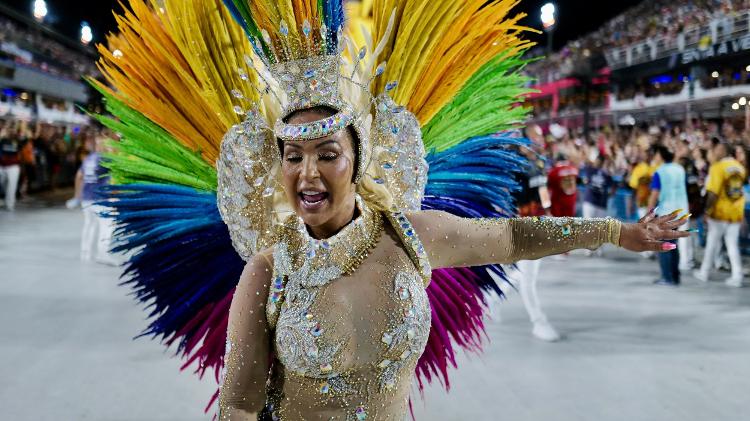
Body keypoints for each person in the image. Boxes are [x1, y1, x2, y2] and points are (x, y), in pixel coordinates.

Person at [90, 1, 691, 419]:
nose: (307, 172)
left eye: (326, 153)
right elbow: (241, 403)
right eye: (292, 156)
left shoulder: (412, 235)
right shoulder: (267, 272)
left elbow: (512, 237)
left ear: (357, 157)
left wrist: (615, 229)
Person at [508, 145, 560, 342]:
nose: (540, 141)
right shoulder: (523, 167)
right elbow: (541, 201)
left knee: (524, 273)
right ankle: (538, 322)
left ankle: (490, 299)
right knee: (528, 278)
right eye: (535, 136)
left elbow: (541, 193)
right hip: (527, 228)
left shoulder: (531, 165)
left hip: (530, 225)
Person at [694, 143, 747, 287]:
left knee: (712, 243)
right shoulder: (740, 167)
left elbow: (713, 193)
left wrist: (707, 210)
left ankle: (704, 272)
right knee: (732, 245)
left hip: (719, 213)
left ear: (724, 151)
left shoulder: (717, 167)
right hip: (735, 213)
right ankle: (737, 275)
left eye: (716, 150)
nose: (714, 152)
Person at [72, 136, 116, 265]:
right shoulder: (105, 158)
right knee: (107, 225)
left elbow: (79, 176)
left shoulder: (88, 159)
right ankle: (103, 254)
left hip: (86, 197)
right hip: (100, 198)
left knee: (89, 225)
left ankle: (85, 252)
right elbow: (117, 165)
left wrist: (77, 195)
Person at [648, 145, 689, 286]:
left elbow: (654, 194)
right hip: (680, 212)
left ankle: (667, 277)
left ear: (661, 156)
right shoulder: (680, 169)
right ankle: (675, 276)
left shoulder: (660, 172)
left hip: (666, 212)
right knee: (673, 244)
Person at [581, 154, 616, 255]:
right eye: (597, 160)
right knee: (587, 225)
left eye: (601, 161)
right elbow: (583, 158)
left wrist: (610, 194)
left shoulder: (606, 174)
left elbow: (614, 185)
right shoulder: (589, 169)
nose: (598, 162)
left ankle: (599, 248)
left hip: (601, 203)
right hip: (589, 201)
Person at [0, 122, 22, 211]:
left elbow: (28, 138)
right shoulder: (2, 139)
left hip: (13, 166)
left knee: (11, 186)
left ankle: (10, 204)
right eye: (9, 129)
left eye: (12, 129)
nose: (11, 131)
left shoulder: (17, 139)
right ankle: (2, 198)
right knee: (3, 184)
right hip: (1, 166)